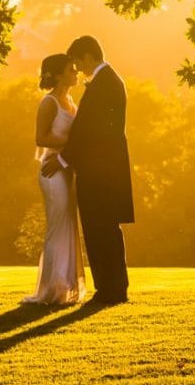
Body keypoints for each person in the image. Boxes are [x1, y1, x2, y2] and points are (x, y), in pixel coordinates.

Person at [41, 36, 134, 305]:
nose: (79, 69)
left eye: (79, 61)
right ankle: (113, 287)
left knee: (99, 230)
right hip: (103, 169)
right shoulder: (108, 82)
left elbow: (91, 133)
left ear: (89, 56)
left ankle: (110, 289)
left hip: (100, 171)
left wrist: (64, 160)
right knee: (105, 230)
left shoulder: (105, 84)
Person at [22, 53, 87, 306]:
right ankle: (50, 288)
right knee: (57, 226)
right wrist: (75, 144)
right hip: (52, 171)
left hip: (67, 168)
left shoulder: (70, 100)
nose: (76, 73)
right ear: (59, 75)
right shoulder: (49, 103)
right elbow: (41, 138)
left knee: (68, 225)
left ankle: (64, 284)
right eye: (71, 70)